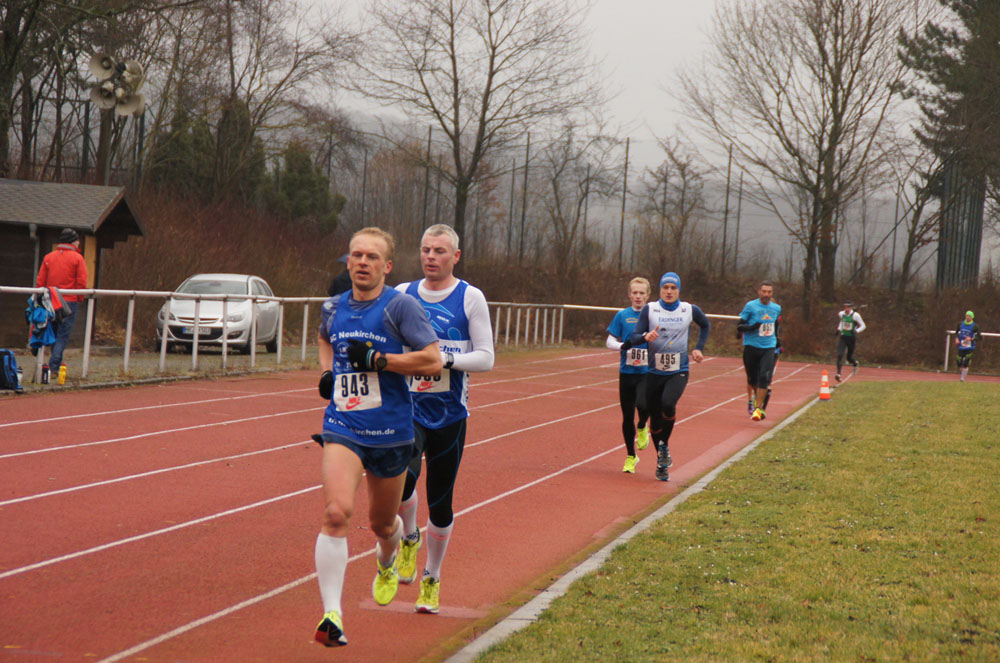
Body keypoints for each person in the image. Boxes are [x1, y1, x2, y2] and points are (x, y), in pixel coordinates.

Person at [313, 227, 443, 647]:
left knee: (382, 524)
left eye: (371, 257)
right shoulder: (333, 307)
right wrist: (328, 373)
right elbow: (324, 338)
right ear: (348, 261)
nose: (362, 262)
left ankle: (388, 558)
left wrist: (380, 360)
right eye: (356, 255)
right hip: (344, 426)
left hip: (390, 432)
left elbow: (433, 360)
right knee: (336, 513)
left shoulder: (400, 307)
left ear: (386, 266)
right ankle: (332, 615)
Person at [392, 224, 495, 615]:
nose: (430, 257)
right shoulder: (402, 294)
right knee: (400, 480)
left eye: (439, 251)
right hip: (407, 409)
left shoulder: (470, 297)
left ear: (456, 256)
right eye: (425, 250)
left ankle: (431, 577)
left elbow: (486, 357)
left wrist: (445, 360)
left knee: (440, 501)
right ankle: (409, 535)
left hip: (449, 415)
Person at [629, 272, 710, 481]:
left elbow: (705, 325)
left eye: (673, 288)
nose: (669, 291)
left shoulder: (689, 309)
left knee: (668, 404)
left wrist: (699, 348)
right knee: (655, 422)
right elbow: (634, 336)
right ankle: (662, 459)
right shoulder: (650, 309)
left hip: (678, 370)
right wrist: (646, 336)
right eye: (665, 287)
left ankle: (663, 447)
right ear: (660, 289)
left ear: (678, 290)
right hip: (653, 372)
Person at [606, 277, 651, 474]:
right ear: (629, 295)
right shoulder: (622, 315)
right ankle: (631, 456)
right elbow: (609, 341)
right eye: (635, 293)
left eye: (642, 293)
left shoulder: (653, 316)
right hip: (627, 372)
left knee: (643, 405)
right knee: (626, 416)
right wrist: (622, 346)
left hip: (646, 372)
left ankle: (642, 426)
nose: (638, 296)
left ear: (648, 295)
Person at [35, 228, 88, 376]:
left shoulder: (48, 257)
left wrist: (39, 299)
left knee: (52, 332)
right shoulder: (78, 258)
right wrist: (80, 298)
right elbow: (82, 281)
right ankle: (54, 366)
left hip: (50, 301)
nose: (79, 243)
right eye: (77, 240)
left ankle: (52, 364)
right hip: (69, 301)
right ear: (72, 241)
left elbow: (41, 281)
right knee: (63, 335)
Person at [737, 281, 781, 422]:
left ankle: (758, 408)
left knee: (764, 377)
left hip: (768, 347)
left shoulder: (776, 308)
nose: (767, 294)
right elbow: (740, 326)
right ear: (759, 292)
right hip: (751, 346)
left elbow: (775, 324)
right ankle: (758, 399)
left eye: (769, 292)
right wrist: (752, 327)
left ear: (772, 293)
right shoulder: (750, 306)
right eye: (764, 291)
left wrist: (778, 339)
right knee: (752, 379)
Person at [834, 300, 866, 382]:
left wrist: (856, 331)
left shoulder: (855, 315)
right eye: (845, 307)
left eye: (848, 307)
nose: (846, 309)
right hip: (843, 337)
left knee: (849, 358)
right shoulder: (841, 314)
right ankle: (838, 374)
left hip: (851, 338)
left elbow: (863, 326)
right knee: (839, 355)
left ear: (851, 307)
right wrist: (838, 329)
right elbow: (842, 321)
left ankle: (855, 363)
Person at [955, 310, 982, 382]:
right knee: (959, 361)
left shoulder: (975, 326)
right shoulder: (960, 324)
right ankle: (963, 369)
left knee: (965, 362)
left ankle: (962, 379)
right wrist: (957, 339)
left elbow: (980, 337)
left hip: (970, 346)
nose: (967, 317)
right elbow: (957, 332)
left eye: (969, 316)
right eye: (967, 316)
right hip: (961, 346)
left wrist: (971, 339)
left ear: (972, 317)